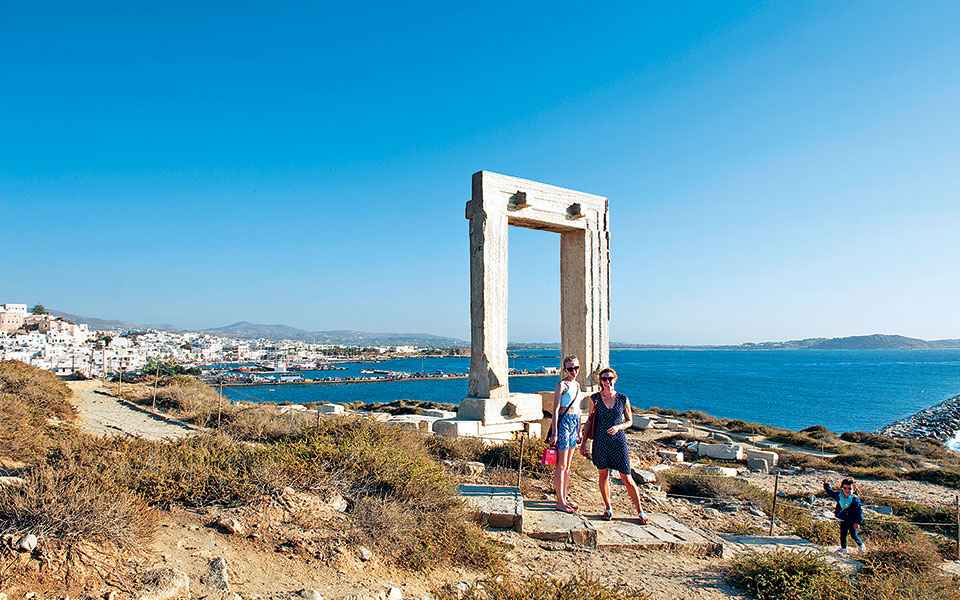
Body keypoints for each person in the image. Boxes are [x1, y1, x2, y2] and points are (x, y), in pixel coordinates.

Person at [582, 367, 648, 524]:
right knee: (603, 475)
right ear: (601, 381)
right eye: (604, 379)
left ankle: (640, 511)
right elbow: (589, 421)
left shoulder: (623, 399)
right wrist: (583, 443)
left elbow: (629, 421)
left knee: (626, 476)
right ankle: (608, 508)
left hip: (618, 442)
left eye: (610, 378)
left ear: (615, 379)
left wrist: (619, 427)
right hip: (600, 441)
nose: (607, 381)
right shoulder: (595, 398)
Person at [549, 355, 583, 513]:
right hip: (564, 424)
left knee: (568, 465)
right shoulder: (561, 385)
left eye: (576, 368)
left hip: (575, 422)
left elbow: (579, 409)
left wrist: (580, 430)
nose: (573, 371)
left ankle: (564, 496)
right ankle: (560, 501)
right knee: (561, 465)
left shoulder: (577, 385)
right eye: (570, 369)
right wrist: (554, 432)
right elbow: (555, 409)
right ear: (565, 370)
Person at [823, 475, 865, 553]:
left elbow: (859, 512)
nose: (847, 490)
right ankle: (843, 548)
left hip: (852, 521)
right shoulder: (840, 496)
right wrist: (826, 484)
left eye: (849, 488)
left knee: (853, 535)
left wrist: (858, 522)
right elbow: (830, 492)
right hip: (843, 519)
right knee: (843, 535)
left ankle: (861, 546)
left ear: (854, 489)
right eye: (845, 488)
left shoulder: (855, 500)